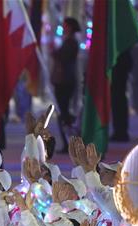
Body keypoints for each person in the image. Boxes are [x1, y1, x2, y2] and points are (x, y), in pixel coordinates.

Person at [51, 17, 80, 151]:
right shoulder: (67, 42)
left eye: (65, 26)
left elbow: (63, 57)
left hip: (65, 81)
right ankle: (68, 139)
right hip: (62, 80)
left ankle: (71, 139)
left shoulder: (71, 43)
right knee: (63, 112)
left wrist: (54, 52)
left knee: (64, 113)